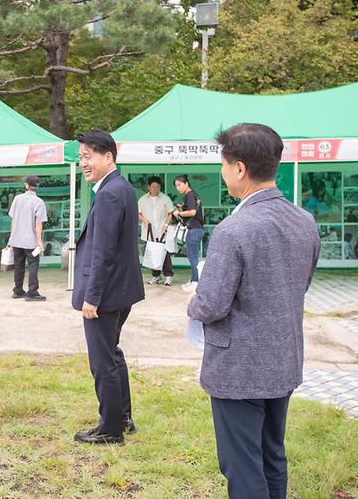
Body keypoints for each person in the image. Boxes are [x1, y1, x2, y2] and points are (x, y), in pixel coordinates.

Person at [187, 123, 320, 499]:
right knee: (272, 456)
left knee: (242, 466)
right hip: (283, 357)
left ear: (240, 168)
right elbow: (300, 284)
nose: (222, 172)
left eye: (224, 164)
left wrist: (193, 300)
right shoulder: (304, 221)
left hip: (240, 367)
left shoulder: (234, 229)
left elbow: (211, 304)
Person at [71, 130, 145, 445]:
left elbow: (103, 252)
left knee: (102, 361)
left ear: (108, 157)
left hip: (106, 294)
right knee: (112, 354)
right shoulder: (121, 188)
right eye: (81, 157)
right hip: (121, 291)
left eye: (88, 156)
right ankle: (122, 417)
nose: (83, 163)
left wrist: (92, 297)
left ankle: (110, 429)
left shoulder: (109, 193)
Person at [8, 175, 48, 301]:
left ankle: (18, 290)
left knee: (18, 265)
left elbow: (13, 220)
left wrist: (11, 237)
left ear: (26, 185)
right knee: (33, 265)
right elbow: (38, 223)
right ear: (38, 186)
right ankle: (32, 291)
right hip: (30, 241)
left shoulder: (17, 199)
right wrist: (39, 241)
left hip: (17, 239)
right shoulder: (39, 202)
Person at [137, 176, 175, 286]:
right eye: (153, 187)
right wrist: (144, 220)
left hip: (162, 230)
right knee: (153, 253)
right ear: (149, 187)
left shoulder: (165, 198)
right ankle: (156, 276)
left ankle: (168, 276)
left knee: (165, 254)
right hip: (149, 231)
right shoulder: (142, 199)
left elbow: (170, 213)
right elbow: (138, 213)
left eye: (158, 187)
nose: (155, 189)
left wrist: (167, 223)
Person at [173, 175, 204, 292]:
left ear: (186, 183)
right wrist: (182, 207)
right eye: (176, 186)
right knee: (192, 257)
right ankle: (193, 280)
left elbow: (192, 212)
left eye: (179, 185)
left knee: (193, 258)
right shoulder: (192, 195)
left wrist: (178, 213)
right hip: (196, 229)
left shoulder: (190, 195)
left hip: (194, 229)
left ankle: (196, 283)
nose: (178, 188)